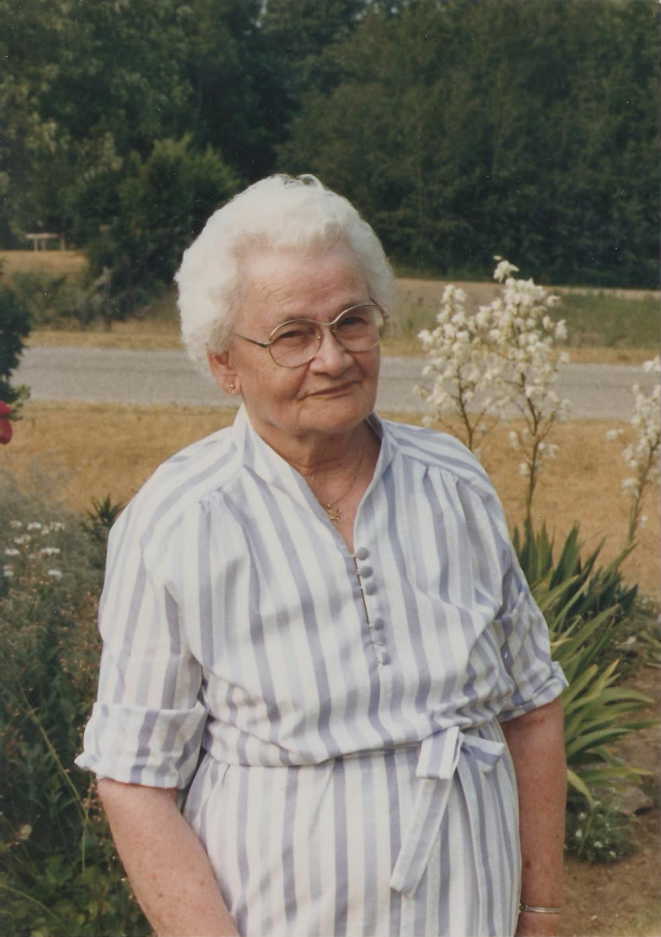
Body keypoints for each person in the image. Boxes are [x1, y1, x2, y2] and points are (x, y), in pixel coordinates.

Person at [76, 174, 567, 937]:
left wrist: (537, 910)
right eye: (292, 334)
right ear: (223, 363)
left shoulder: (453, 485)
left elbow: (531, 706)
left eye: (351, 321)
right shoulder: (177, 523)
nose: (333, 357)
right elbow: (135, 779)